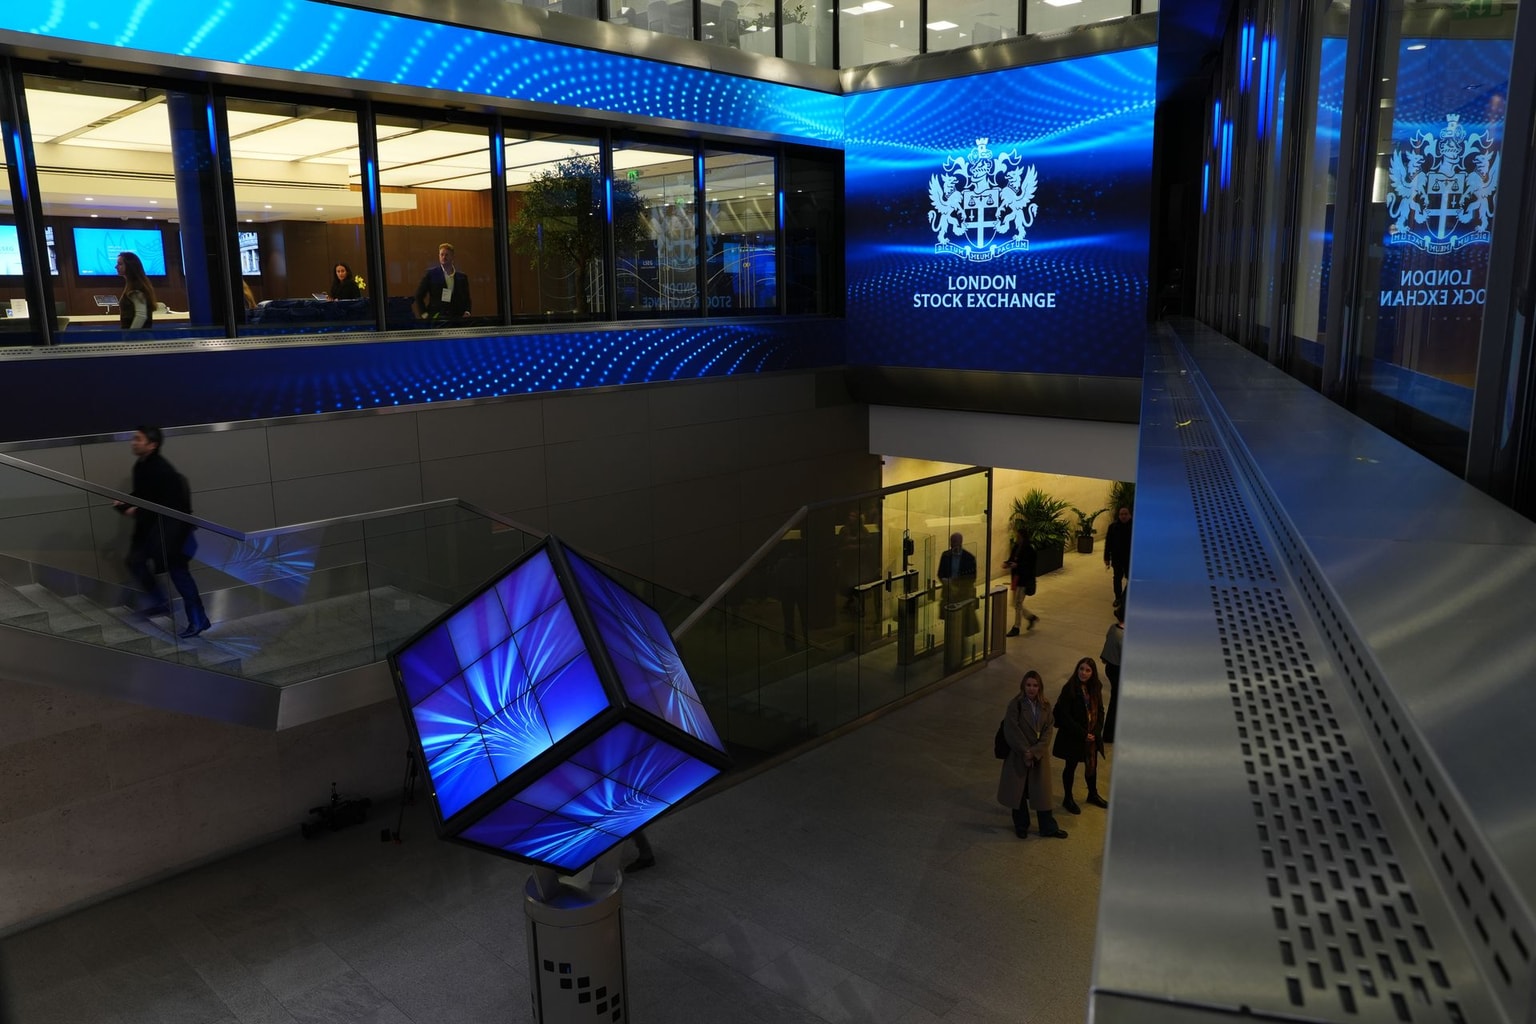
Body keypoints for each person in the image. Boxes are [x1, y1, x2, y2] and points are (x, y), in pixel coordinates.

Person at [113, 426, 211, 639]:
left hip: (172, 532)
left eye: (138, 439)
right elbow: (144, 495)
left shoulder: (161, 470)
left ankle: (198, 619)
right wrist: (127, 502)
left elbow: (168, 504)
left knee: (179, 573)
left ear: (152, 444)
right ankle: (160, 602)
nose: (133, 442)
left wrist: (134, 508)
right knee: (135, 560)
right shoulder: (142, 466)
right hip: (153, 530)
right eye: (133, 438)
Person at [997, 670, 1068, 839]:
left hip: (1038, 757)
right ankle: (1021, 825)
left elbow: (1048, 731)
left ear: (1039, 687)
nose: (1031, 688)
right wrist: (1026, 752)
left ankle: (1047, 827)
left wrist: (1035, 752)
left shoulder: (1045, 705)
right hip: (1018, 755)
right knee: (1018, 792)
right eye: (1028, 685)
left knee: (1042, 793)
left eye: (1035, 685)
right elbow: (1011, 730)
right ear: (1023, 686)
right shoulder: (1015, 705)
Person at [1053, 657, 1107, 814]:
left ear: (1093, 673)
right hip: (1073, 736)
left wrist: (1096, 732)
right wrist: (1083, 734)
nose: (1083, 673)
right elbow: (1065, 716)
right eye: (1081, 669)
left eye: (1088, 670)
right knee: (1070, 767)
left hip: (1091, 737)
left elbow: (1101, 711)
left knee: (1092, 765)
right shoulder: (1069, 688)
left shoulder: (1095, 687)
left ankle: (1092, 794)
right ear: (1077, 670)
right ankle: (1068, 798)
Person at [413, 242, 471, 319]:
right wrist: (424, 315)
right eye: (442, 254)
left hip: (457, 319)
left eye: (447, 255)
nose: (444, 257)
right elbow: (418, 295)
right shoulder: (431, 274)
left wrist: (467, 312)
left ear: (452, 257)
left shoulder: (462, 277)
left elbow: (467, 298)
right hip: (437, 319)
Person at [936, 532, 979, 637]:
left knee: (963, 618)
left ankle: (960, 638)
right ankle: (952, 638)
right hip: (949, 592)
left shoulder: (969, 558)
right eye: (952, 542)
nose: (953, 544)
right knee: (950, 619)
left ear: (960, 542)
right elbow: (940, 573)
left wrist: (959, 585)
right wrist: (946, 582)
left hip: (962, 593)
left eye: (955, 542)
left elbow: (972, 577)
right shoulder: (945, 555)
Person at [1002, 525, 1038, 636]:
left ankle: (1016, 627)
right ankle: (1031, 617)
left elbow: (1029, 565)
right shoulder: (1016, 547)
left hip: (1023, 579)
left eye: (1018, 536)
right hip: (1015, 578)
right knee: (1015, 603)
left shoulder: (1029, 549)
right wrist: (1007, 563)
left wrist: (1017, 565)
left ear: (1023, 537)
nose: (1016, 537)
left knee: (1018, 603)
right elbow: (1012, 559)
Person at [1100, 607, 1124, 744]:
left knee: (1116, 699)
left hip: (1110, 667)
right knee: (1115, 701)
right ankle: (1109, 734)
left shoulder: (1113, 628)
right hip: (1118, 670)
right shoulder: (1123, 636)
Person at [116, 252, 155, 329]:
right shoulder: (134, 285)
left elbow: (141, 316)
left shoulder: (136, 287)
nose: (116, 267)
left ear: (130, 266)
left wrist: (131, 335)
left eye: (120, 264)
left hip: (138, 338)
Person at [1104, 506, 1133, 608]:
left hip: (1130, 559)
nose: (1124, 516)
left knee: (1131, 579)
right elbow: (1108, 543)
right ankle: (1118, 598)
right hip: (1117, 558)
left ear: (1130, 515)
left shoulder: (1135, 527)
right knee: (1117, 579)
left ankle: (1127, 598)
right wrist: (1106, 558)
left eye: (1126, 514)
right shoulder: (1113, 527)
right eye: (1121, 514)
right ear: (1119, 515)